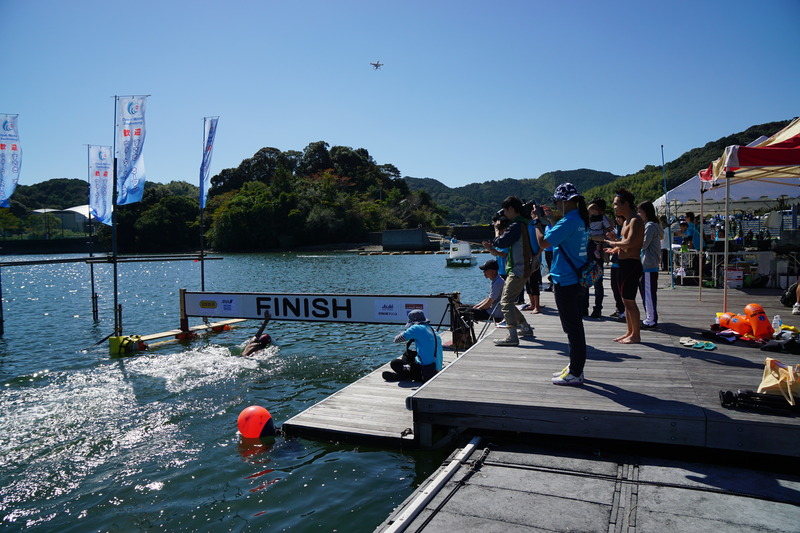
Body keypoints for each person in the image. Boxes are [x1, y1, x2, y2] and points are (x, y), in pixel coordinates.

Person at [532, 182, 589, 386]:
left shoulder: (569, 221)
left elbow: (543, 243)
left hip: (566, 280)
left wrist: (536, 223)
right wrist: (549, 220)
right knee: (575, 326)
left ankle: (576, 372)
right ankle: (574, 366)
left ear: (564, 201)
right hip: (577, 278)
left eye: (556, 201)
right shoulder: (580, 219)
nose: (556, 205)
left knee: (572, 329)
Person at [482, 196, 535, 346]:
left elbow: (502, 241)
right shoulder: (523, 223)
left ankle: (512, 336)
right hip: (522, 267)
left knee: (505, 302)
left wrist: (496, 231)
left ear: (511, 209)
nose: (504, 214)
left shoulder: (517, 225)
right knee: (508, 301)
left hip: (518, 269)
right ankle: (525, 327)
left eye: (505, 211)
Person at [605, 188, 644, 344]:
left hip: (631, 265)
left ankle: (636, 335)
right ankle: (629, 331)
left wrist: (614, 242)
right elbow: (625, 242)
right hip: (623, 263)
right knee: (625, 300)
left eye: (616, 204)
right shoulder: (626, 221)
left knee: (630, 301)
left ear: (625, 204)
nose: (614, 207)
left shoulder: (635, 220)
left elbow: (631, 243)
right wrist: (615, 248)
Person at [384, 309, 443, 382]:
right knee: (407, 354)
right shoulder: (431, 329)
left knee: (394, 363)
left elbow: (396, 340)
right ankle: (406, 372)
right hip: (436, 368)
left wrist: (406, 332)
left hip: (426, 372)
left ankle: (403, 375)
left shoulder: (416, 328)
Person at [585, 198, 613, 318]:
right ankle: (586, 308)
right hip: (589, 251)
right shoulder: (588, 218)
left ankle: (596, 309)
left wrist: (591, 237)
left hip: (596, 252)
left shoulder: (604, 219)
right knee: (587, 281)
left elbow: (607, 235)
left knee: (596, 282)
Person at [638, 201, 663, 329]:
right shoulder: (652, 225)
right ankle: (650, 317)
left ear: (646, 212)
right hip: (649, 265)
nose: (639, 214)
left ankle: (650, 320)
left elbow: (643, 244)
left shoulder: (650, 226)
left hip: (648, 265)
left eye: (640, 212)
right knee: (648, 293)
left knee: (648, 294)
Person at [609, 214, 625, 319]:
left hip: (622, 262)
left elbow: (625, 243)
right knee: (614, 287)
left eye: (619, 217)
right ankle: (619, 309)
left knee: (621, 289)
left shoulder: (626, 228)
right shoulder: (618, 228)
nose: (617, 219)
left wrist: (615, 239)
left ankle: (623, 310)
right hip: (615, 261)